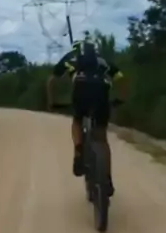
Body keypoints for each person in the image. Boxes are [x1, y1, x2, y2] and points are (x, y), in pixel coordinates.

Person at [46, 33, 125, 196]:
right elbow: (121, 78)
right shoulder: (102, 61)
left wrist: (52, 102)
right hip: (101, 93)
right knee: (101, 138)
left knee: (77, 120)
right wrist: (120, 99)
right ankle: (107, 180)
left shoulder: (70, 59)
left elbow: (51, 81)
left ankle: (79, 150)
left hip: (80, 91)